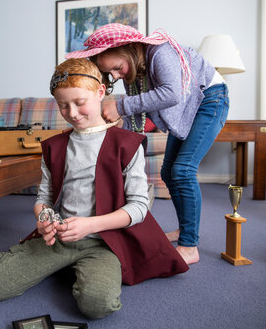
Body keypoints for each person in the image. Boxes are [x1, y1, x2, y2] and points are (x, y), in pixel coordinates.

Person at [0, 58, 188, 319]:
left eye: (79, 103)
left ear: (100, 92)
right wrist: (44, 218)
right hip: (61, 238)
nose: (73, 113)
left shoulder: (128, 144)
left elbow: (139, 208)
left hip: (104, 243)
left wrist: (89, 226)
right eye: (63, 106)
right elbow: (43, 198)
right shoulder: (54, 146)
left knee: (97, 305)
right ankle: (63, 263)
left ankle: (73, 268)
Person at [66, 23, 230, 265]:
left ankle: (190, 246)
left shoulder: (160, 51)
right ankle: (185, 232)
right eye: (111, 74)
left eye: (117, 68)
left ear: (129, 48)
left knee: (183, 171)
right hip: (188, 107)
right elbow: (137, 120)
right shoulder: (132, 72)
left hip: (210, 100)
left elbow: (171, 94)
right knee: (168, 172)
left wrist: (119, 106)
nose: (116, 76)